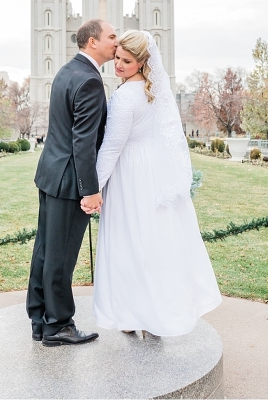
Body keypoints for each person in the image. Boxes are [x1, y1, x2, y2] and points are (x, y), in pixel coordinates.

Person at [86, 30, 222, 337]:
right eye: (117, 57)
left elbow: (111, 148)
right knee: (150, 242)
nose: (117, 65)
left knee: (128, 244)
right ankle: (153, 313)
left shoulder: (124, 97)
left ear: (143, 62)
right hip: (151, 171)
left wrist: (93, 188)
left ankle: (135, 315)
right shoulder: (153, 91)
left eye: (126, 60)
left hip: (128, 175)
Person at [27, 19, 117, 347]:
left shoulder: (67, 71)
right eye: (111, 37)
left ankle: (39, 318)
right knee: (61, 256)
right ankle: (58, 325)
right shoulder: (91, 81)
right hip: (69, 182)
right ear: (92, 41)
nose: (116, 42)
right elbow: (83, 142)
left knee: (45, 251)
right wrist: (90, 190)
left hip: (50, 173)